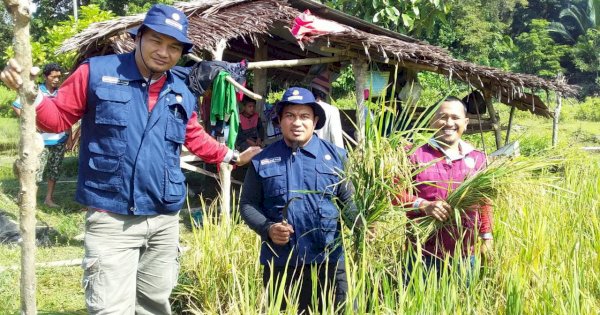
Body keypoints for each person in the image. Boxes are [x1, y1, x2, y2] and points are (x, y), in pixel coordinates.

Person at [1, 4, 260, 314]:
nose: (164, 52)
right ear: (138, 38)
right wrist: (33, 96)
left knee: (154, 304)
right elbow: (56, 120)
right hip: (112, 216)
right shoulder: (97, 72)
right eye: (156, 41)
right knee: (111, 308)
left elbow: (193, 135)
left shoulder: (181, 90)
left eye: (174, 46)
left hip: (164, 217)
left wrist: (232, 155)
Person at [240, 87, 356, 314]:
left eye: (304, 116)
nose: (297, 123)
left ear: (315, 121)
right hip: (281, 262)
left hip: (329, 260)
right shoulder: (262, 160)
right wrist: (268, 228)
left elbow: (349, 201)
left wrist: (362, 223)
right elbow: (247, 204)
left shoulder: (337, 157)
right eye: (290, 116)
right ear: (280, 121)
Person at [399, 96, 493, 282]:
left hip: (465, 254)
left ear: (465, 123)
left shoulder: (478, 159)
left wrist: (487, 236)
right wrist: (423, 205)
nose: (449, 123)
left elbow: (484, 201)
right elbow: (394, 193)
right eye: (442, 117)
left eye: (455, 117)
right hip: (422, 253)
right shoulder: (412, 154)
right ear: (432, 121)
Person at [12, 63, 67, 207]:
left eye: (58, 77)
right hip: (39, 141)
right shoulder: (36, 91)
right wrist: (33, 124)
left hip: (59, 139)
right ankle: (29, 199)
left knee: (54, 170)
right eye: (53, 76)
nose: (56, 80)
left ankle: (48, 199)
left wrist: (69, 134)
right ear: (45, 76)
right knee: (35, 170)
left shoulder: (61, 92)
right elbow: (17, 106)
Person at [310, 79, 344, 148]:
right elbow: (336, 137)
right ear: (325, 94)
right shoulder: (332, 110)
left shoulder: (307, 108)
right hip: (326, 153)